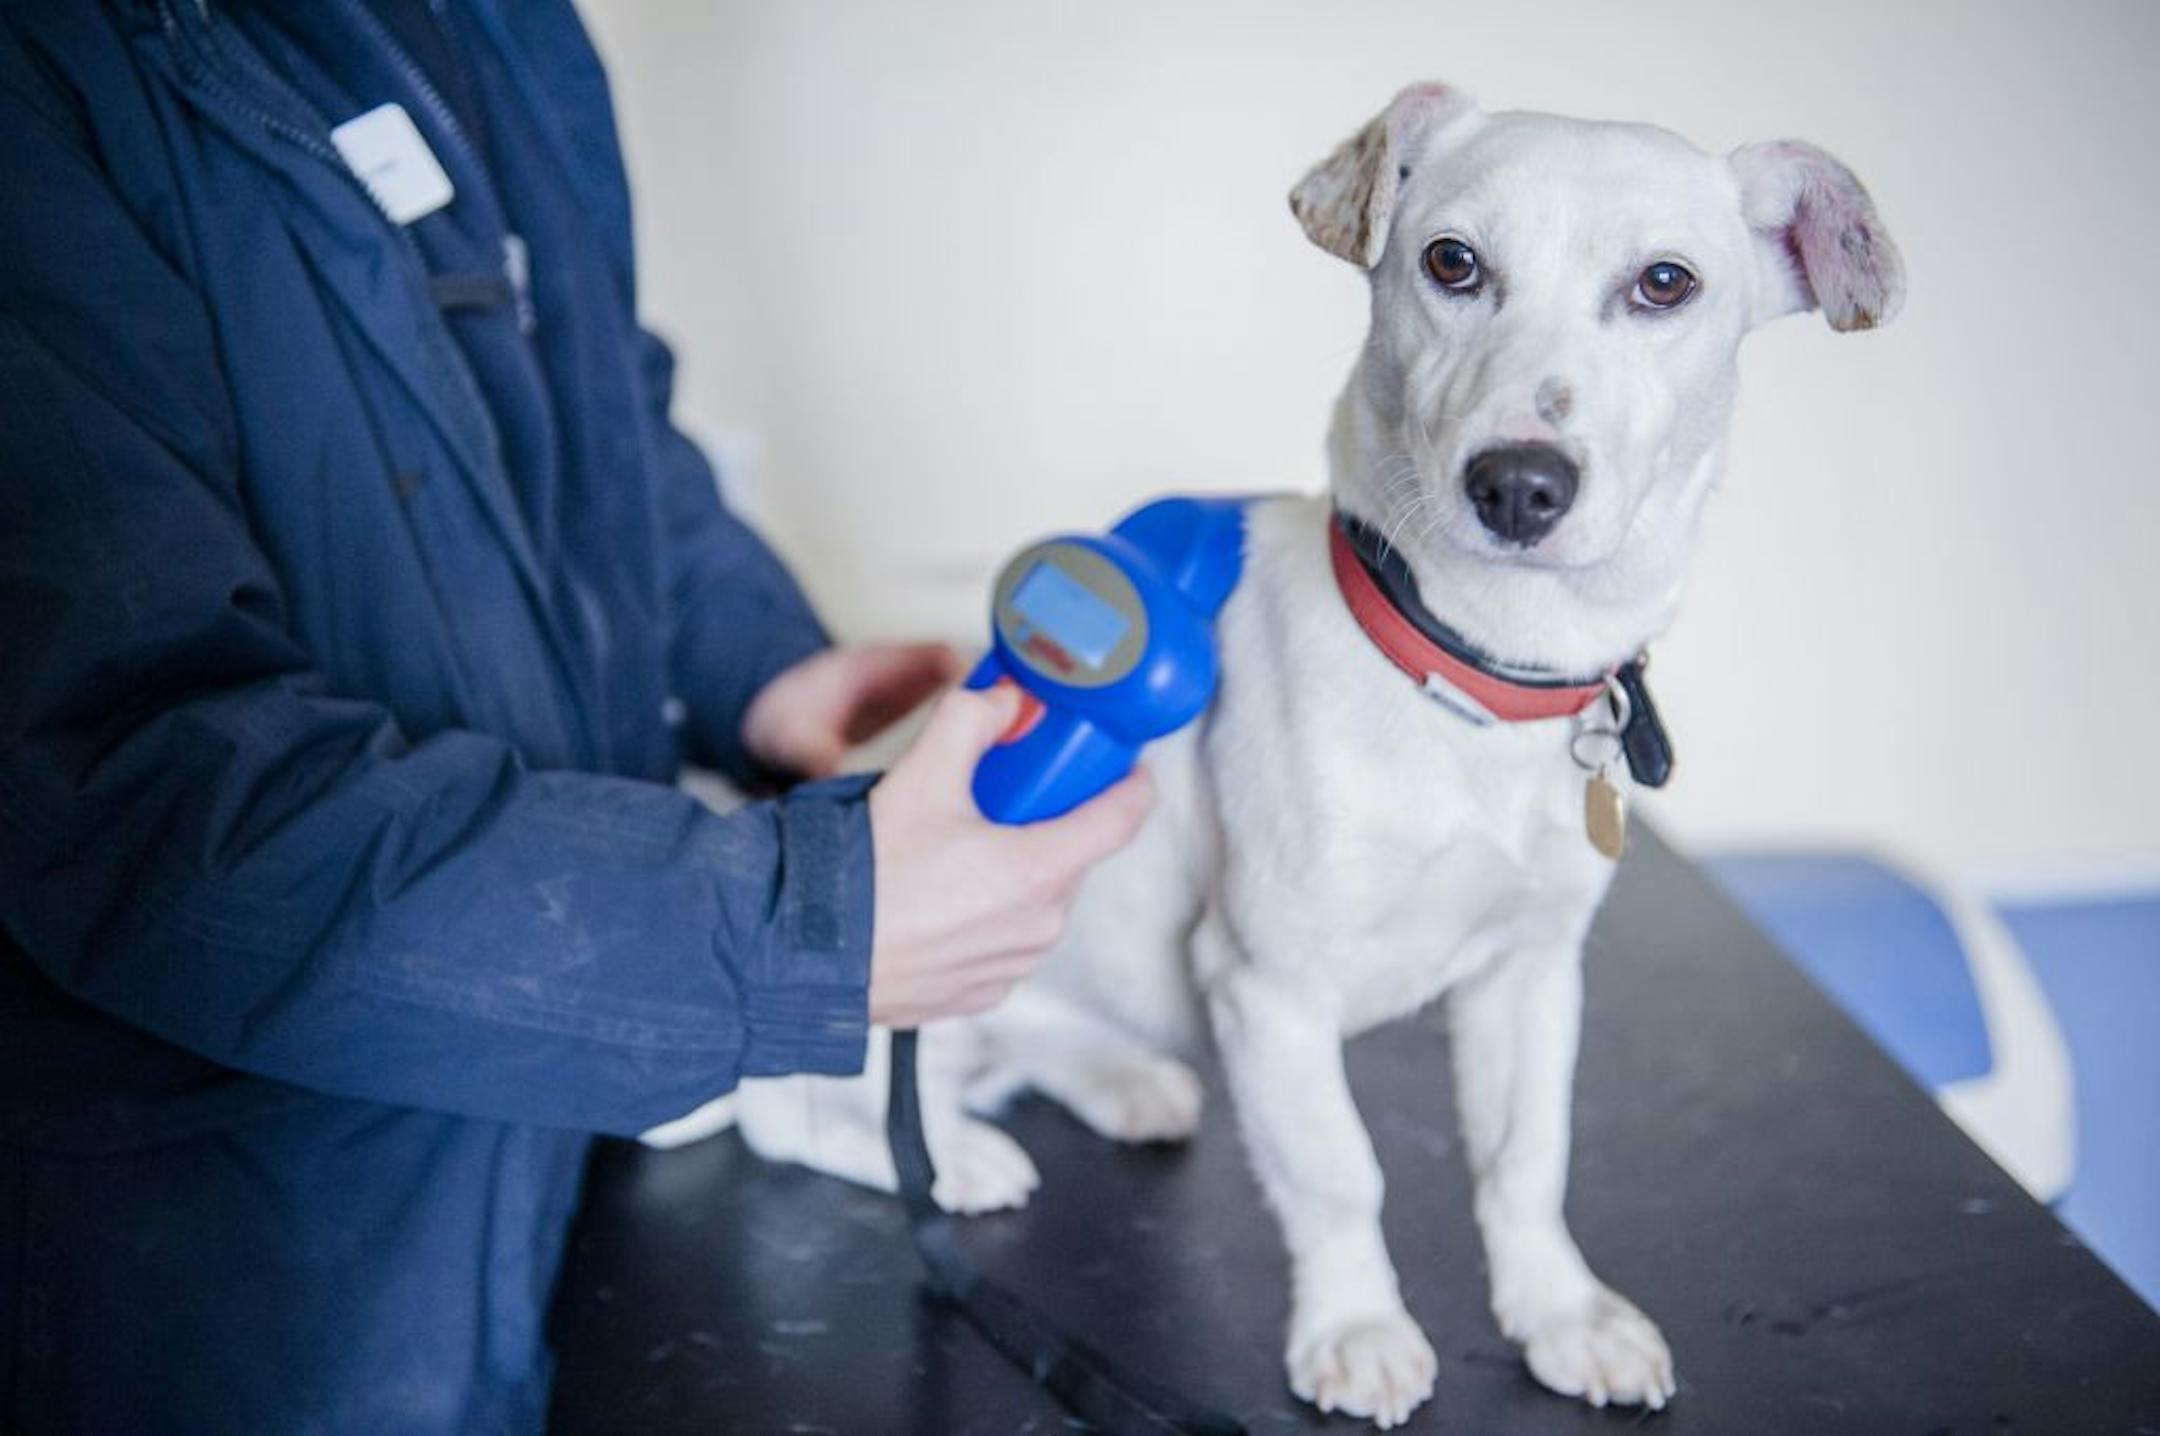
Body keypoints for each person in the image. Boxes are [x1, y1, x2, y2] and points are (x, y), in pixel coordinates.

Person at [0, 2, 1152, 1431]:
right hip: (257, 1261)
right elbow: (128, 785)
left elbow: (604, 424)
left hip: (568, 1134)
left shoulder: (510, 27)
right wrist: (792, 929)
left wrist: (753, 662)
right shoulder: (48, 73)